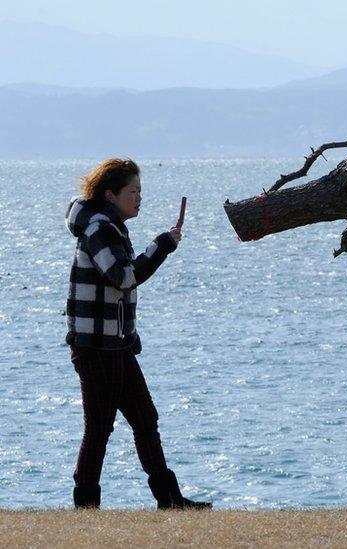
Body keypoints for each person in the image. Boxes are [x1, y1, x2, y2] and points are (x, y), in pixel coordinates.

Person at [64, 158, 210, 510]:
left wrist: (129, 335)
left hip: (116, 345)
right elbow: (123, 277)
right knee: (99, 428)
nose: (139, 198)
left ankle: (169, 499)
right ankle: (85, 506)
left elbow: (118, 292)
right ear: (111, 195)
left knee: (145, 419)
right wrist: (162, 245)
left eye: (140, 191)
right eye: (133, 191)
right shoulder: (98, 228)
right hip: (97, 347)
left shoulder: (112, 226)